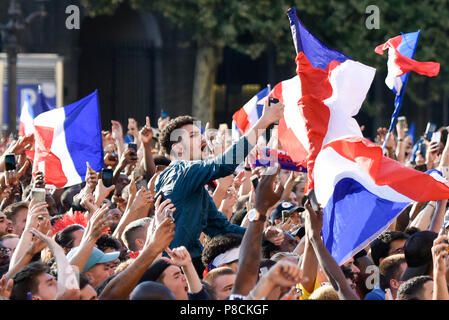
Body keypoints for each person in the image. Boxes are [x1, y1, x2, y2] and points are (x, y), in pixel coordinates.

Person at [155, 101, 284, 273]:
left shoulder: (188, 182)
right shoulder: (182, 171)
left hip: (186, 265)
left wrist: (263, 235)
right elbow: (224, 164)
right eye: (193, 135)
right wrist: (263, 122)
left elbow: (221, 229)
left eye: (199, 134)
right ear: (177, 148)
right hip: (174, 268)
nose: (202, 138)